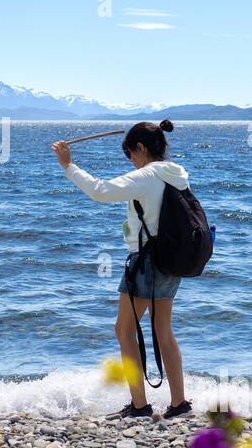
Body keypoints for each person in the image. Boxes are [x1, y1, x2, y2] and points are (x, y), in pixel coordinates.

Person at [51, 120, 192, 420]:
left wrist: (69, 166)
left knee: (123, 329)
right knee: (163, 329)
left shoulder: (146, 176)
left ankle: (139, 405)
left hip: (147, 262)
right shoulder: (177, 175)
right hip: (171, 261)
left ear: (140, 148)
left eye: (129, 154)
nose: (130, 161)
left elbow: (101, 191)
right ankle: (179, 404)